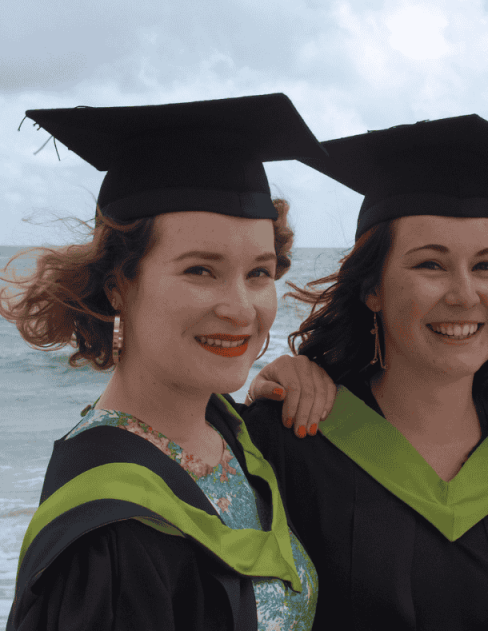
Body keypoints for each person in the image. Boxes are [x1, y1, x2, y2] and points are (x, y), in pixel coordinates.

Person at [2, 94, 326, 630]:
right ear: (117, 286)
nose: (241, 309)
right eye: (200, 270)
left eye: (259, 273)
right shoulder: (108, 533)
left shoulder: (231, 432)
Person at [241, 115, 488, 630]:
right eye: (431, 265)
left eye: (487, 266)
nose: (465, 295)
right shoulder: (292, 441)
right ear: (372, 288)